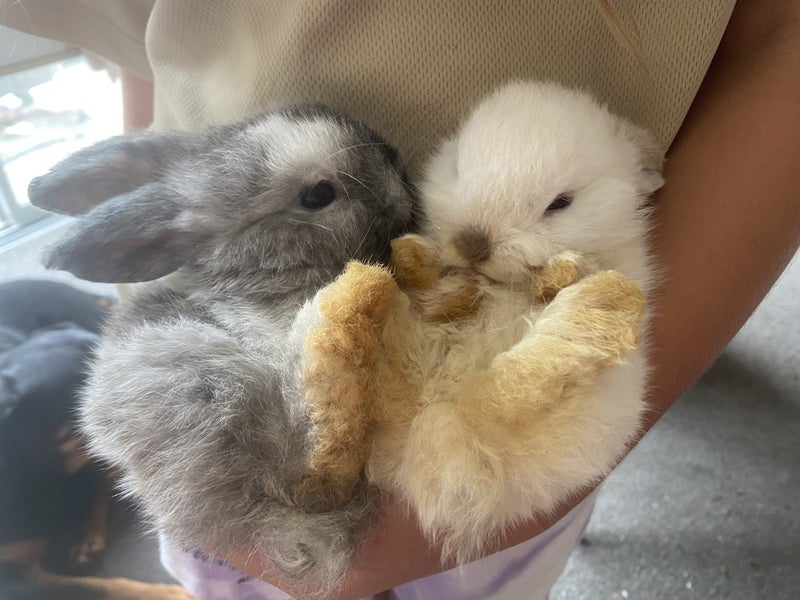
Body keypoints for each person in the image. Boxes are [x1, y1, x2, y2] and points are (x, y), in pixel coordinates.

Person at [2, 1, 798, 598]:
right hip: (244, 476)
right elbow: (149, 36)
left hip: (466, 474)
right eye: (328, 191)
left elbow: (775, 39)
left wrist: (420, 523)